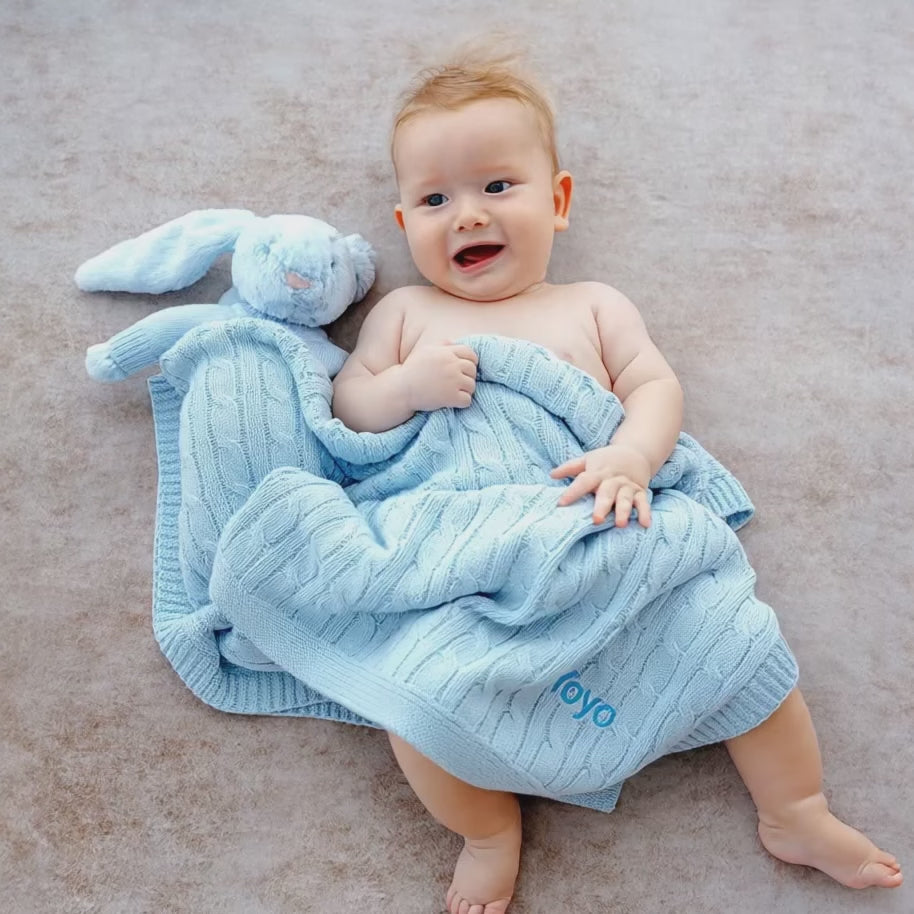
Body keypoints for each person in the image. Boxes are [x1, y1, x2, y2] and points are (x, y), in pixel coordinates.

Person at [330, 45, 903, 914]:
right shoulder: (407, 315)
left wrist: (632, 455)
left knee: (735, 640)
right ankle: (487, 828)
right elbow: (350, 409)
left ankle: (796, 809)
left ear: (557, 202)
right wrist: (404, 388)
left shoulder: (592, 303)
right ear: (403, 223)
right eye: (434, 199)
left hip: (599, 529)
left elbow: (653, 388)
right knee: (413, 699)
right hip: (472, 561)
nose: (466, 216)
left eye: (496, 187)